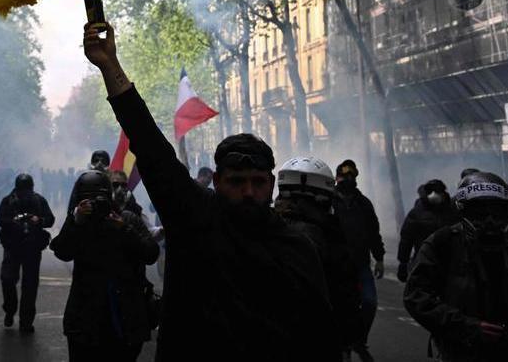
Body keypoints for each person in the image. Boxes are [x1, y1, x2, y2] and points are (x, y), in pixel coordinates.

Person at [83, 20, 336, 360]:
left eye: (258, 182)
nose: (248, 192)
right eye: (236, 181)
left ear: (272, 185)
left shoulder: (296, 247)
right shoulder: (195, 218)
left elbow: (320, 334)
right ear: (217, 181)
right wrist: (110, 65)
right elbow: (149, 144)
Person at [405, 171, 508, 361]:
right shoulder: (443, 244)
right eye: (479, 214)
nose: (490, 222)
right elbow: (416, 296)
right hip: (465, 352)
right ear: (463, 213)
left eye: (496, 213)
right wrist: (465, 327)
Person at [51, 169, 159, 361]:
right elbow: (61, 250)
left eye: (100, 199)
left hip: (123, 318)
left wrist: (124, 230)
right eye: (90, 201)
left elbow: (151, 253)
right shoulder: (80, 225)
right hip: (85, 320)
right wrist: (76, 220)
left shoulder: (127, 219)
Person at [273, 157, 359, 360]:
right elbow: (344, 295)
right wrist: (346, 341)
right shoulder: (331, 237)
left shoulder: (262, 229)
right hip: (317, 341)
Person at [332, 159, 385, 362]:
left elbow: (373, 232)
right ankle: (342, 343)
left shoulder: (363, 204)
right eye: (344, 176)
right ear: (337, 178)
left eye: (351, 176)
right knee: (339, 307)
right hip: (336, 265)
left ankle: (358, 339)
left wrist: (379, 258)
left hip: (361, 264)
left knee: (369, 303)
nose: (348, 179)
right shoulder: (329, 202)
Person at [0, 172, 55, 332]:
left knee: (29, 286)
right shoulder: (8, 201)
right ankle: (10, 309)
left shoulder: (39, 200)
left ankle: (26, 322)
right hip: (12, 246)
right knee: (8, 280)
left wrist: (38, 220)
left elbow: (50, 219)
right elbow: (1, 219)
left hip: (32, 247)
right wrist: (15, 223)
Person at [397, 179, 458, 283]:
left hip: (450, 261)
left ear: (444, 193)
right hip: (424, 260)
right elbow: (406, 239)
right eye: (430, 191)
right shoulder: (417, 213)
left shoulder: (453, 210)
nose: (434, 194)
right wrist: (403, 262)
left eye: (438, 191)